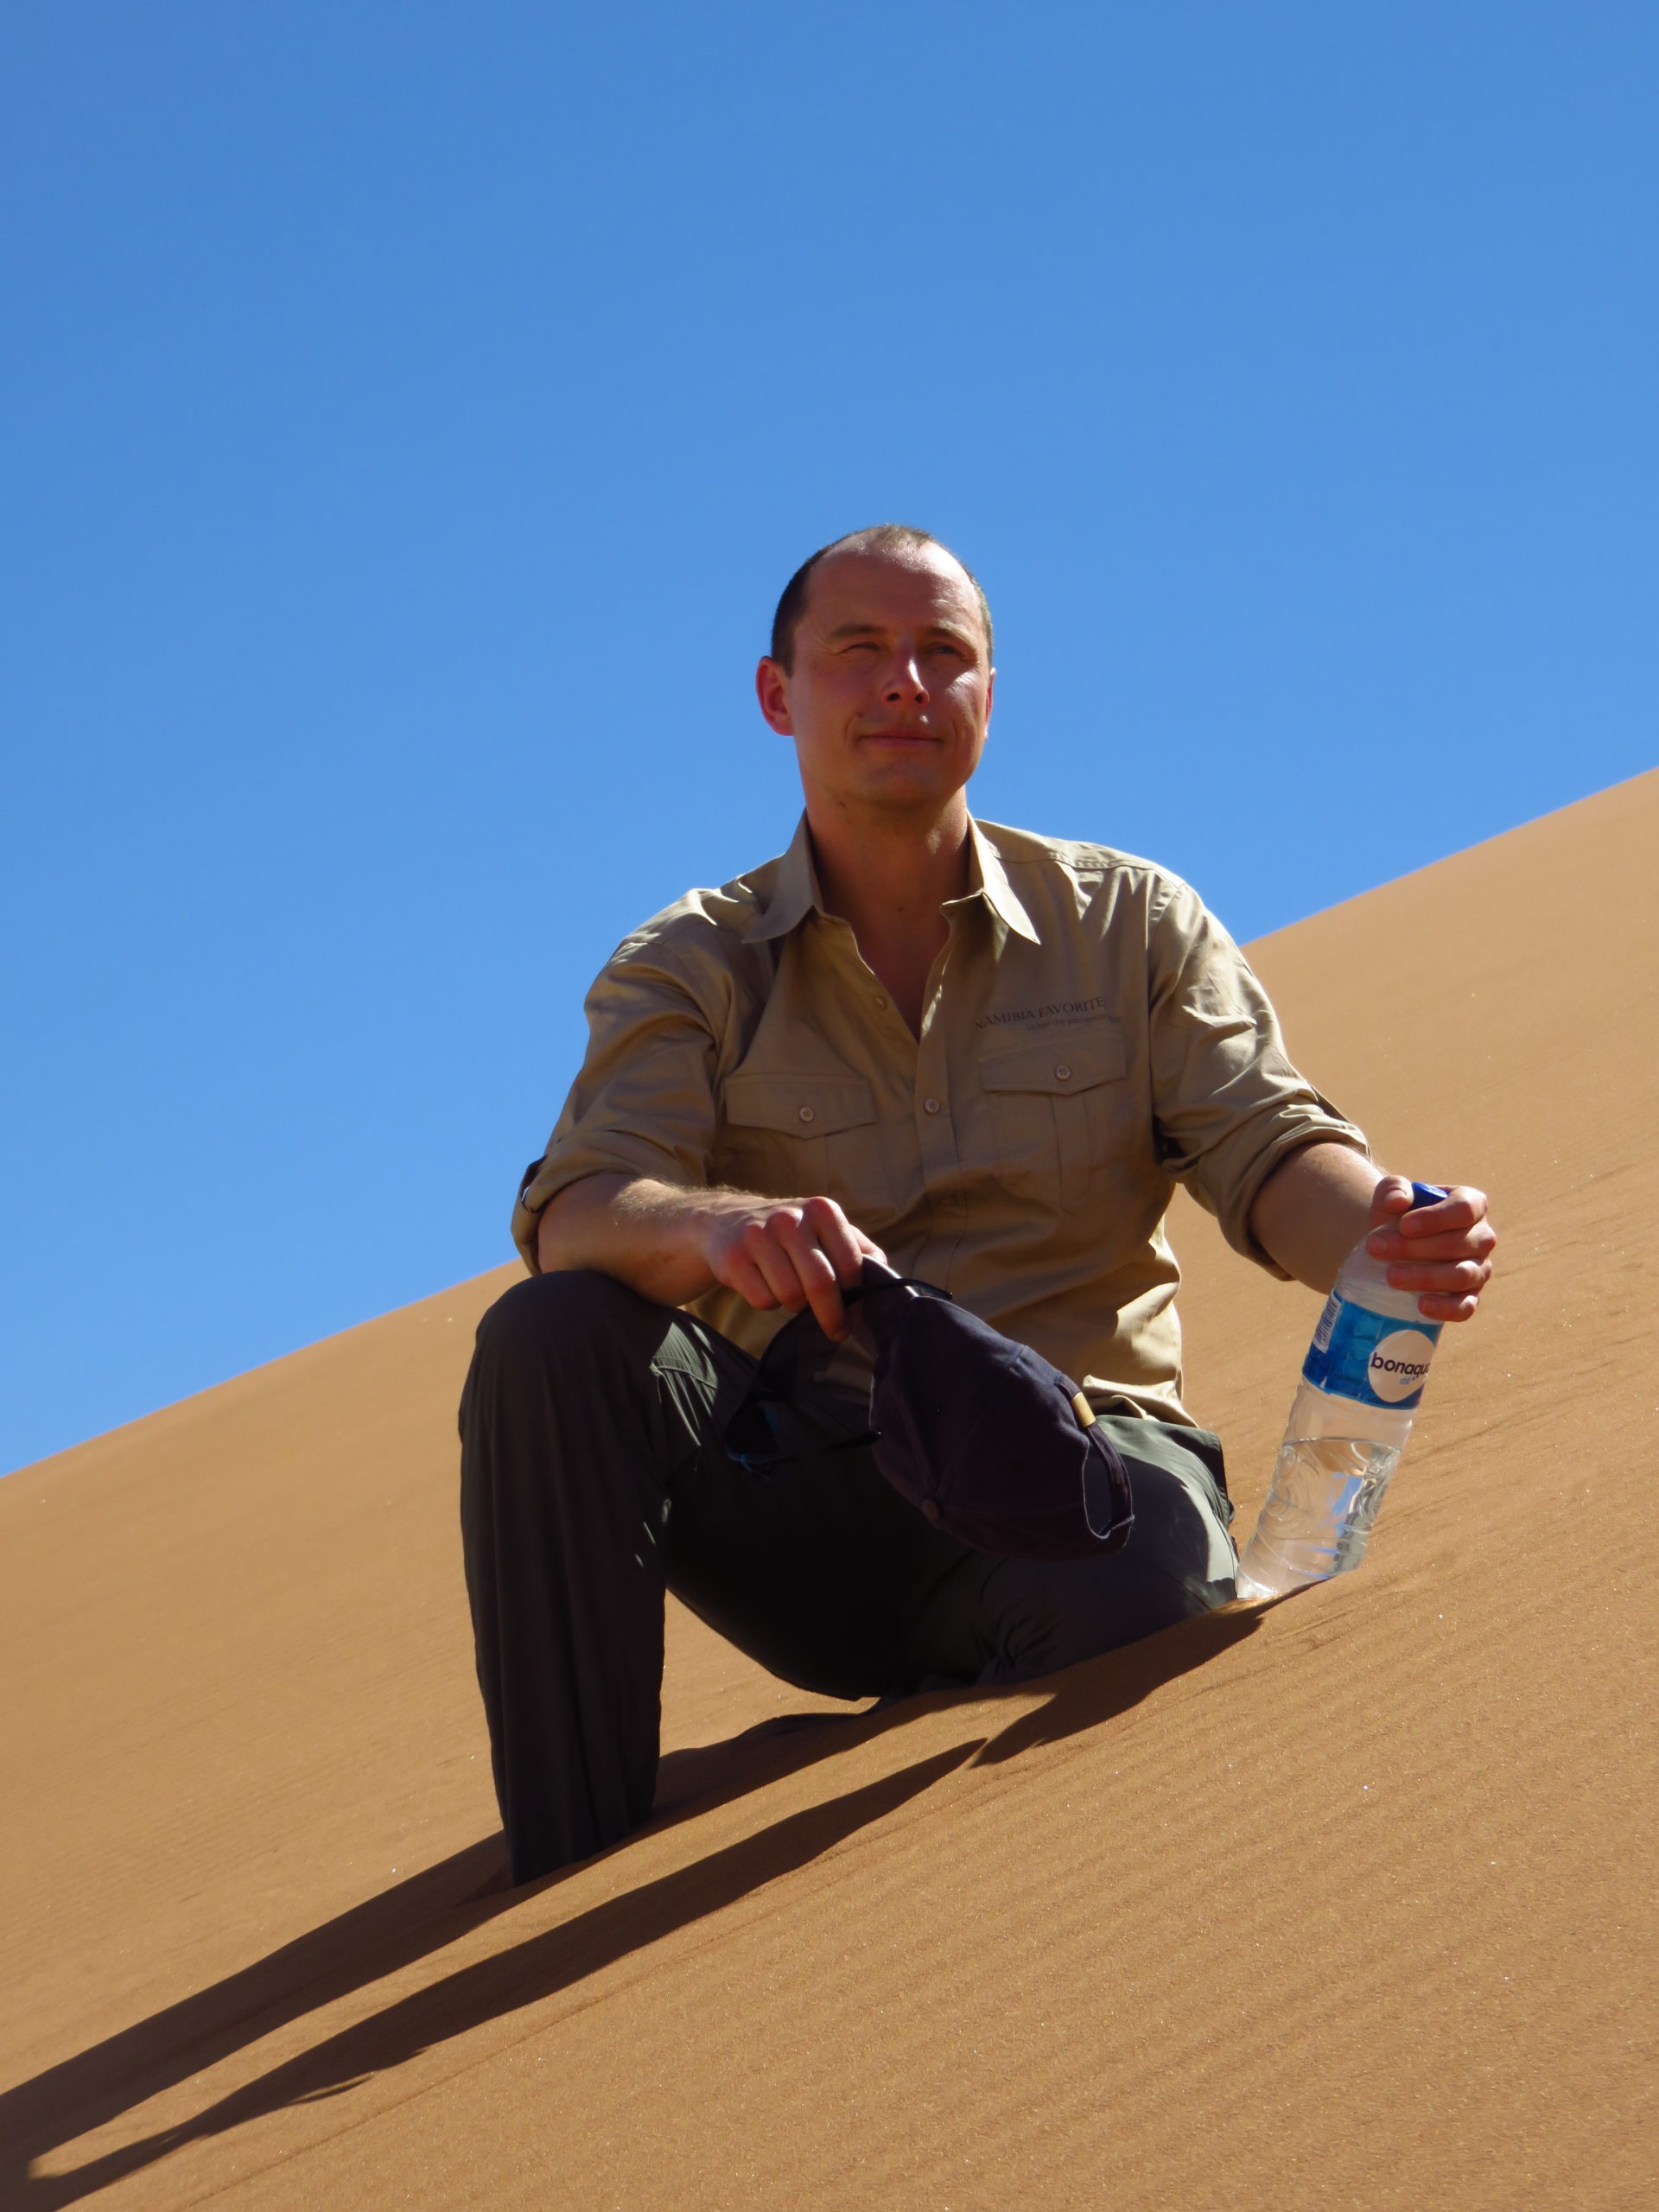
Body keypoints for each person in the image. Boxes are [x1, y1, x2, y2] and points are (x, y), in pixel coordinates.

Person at [460, 524, 1496, 1885]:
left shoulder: (1130, 923)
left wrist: (1384, 1228)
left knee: (1150, 1585)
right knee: (550, 1342)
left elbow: (1268, 1149)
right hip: (813, 1492)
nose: (905, 684)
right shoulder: (691, 963)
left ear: (989, 698)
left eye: (944, 654)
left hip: (1073, 1470)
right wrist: (711, 1229)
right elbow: (579, 1207)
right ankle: (560, 1878)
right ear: (779, 695)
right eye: (860, 651)